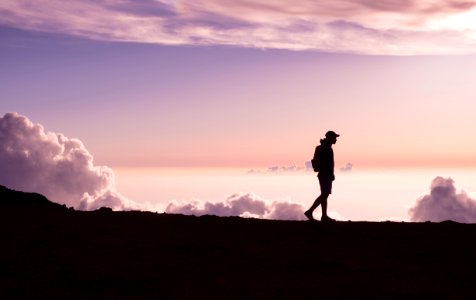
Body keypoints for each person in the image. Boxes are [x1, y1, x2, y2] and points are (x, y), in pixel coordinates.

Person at [304, 131, 339, 222]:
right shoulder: (326, 148)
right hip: (325, 174)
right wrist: (331, 174)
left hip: (323, 174)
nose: (336, 139)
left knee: (325, 194)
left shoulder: (322, 147)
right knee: (325, 194)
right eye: (334, 137)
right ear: (330, 137)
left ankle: (324, 216)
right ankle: (310, 211)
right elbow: (327, 164)